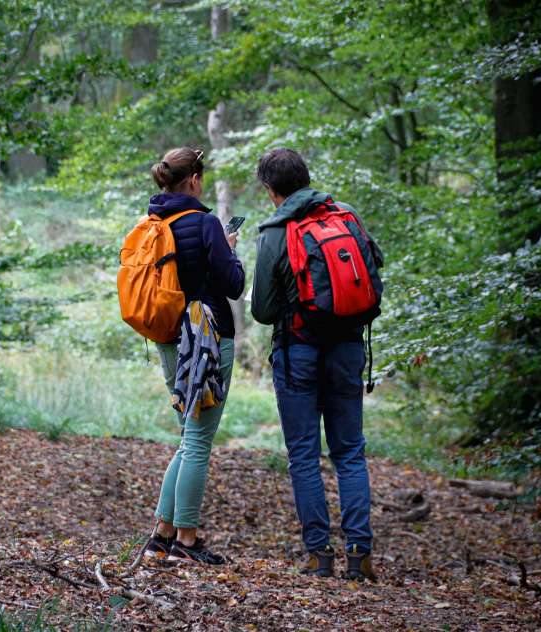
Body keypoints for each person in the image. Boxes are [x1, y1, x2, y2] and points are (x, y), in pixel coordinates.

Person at [251, 148, 377, 581]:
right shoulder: (346, 215)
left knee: (304, 454)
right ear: (306, 178)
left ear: (270, 191)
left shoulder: (274, 232)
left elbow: (263, 312)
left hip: (297, 351)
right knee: (350, 452)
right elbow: (372, 273)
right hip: (346, 348)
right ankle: (360, 554)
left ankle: (319, 554)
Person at [143, 147, 245, 565]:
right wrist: (228, 247)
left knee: (188, 437)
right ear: (196, 180)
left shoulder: (152, 225)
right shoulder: (204, 224)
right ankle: (186, 539)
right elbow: (234, 285)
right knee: (198, 441)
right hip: (207, 338)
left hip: (168, 340)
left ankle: (162, 535)